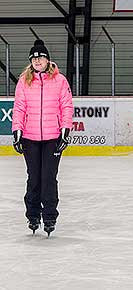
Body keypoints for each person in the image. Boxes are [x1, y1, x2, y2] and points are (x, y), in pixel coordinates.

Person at [12, 39, 73, 237]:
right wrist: (17, 131)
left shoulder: (60, 80)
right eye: (34, 58)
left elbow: (66, 106)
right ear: (31, 61)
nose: (38, 61)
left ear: (48, 60)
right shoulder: (24, 81)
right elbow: (19, 107)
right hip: (29, 137)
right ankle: (32, 215)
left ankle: (49, 216)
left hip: (52, 137)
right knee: (34, 178)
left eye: (41, 57)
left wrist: (65, 130)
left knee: (48, 178)